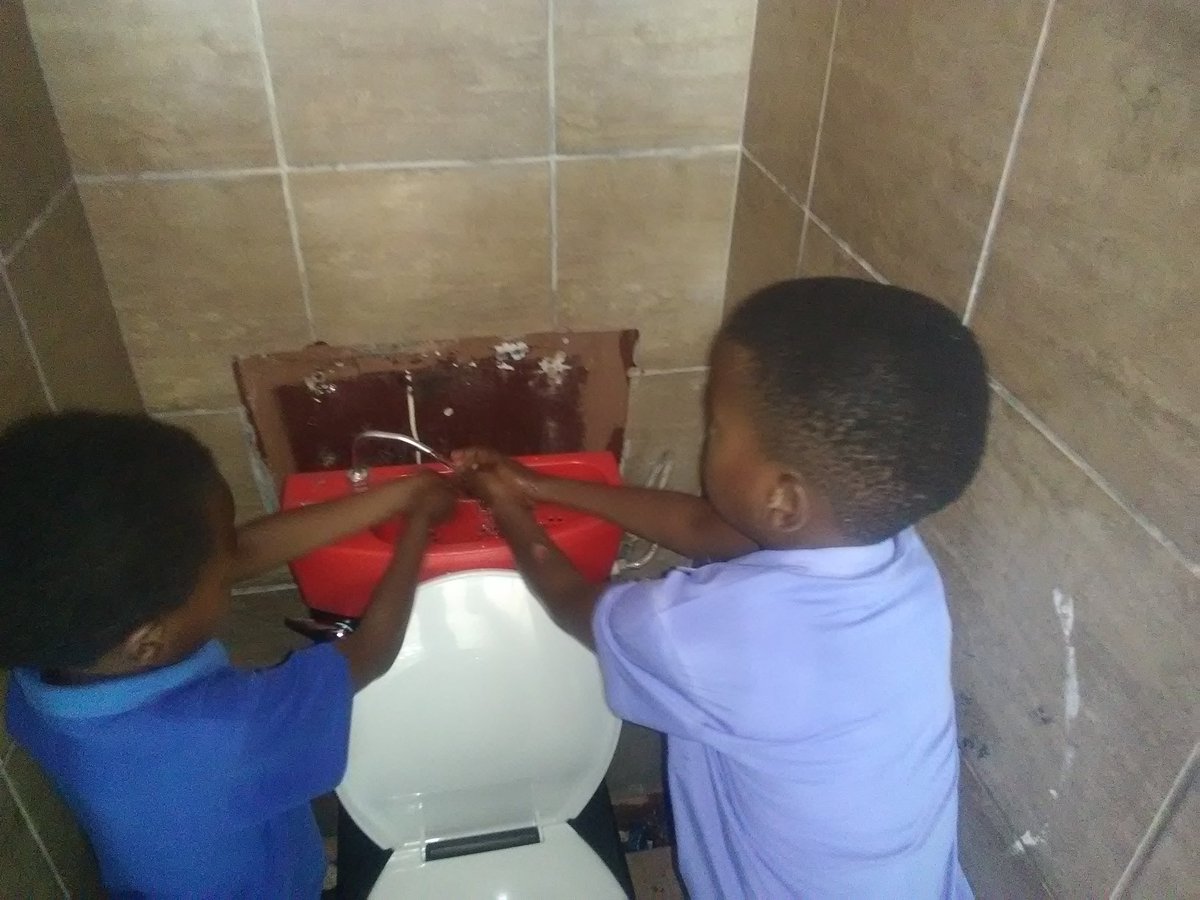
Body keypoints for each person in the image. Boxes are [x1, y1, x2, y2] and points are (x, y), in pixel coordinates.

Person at [455, 277, 989, 898]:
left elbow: (573, 603)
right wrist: (536, 485)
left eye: (717, 429)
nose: (707, 438)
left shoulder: (719, 635)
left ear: (783, 499)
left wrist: (507, 510)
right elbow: (703, 526)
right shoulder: (894, 557)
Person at [0, 410, 456, 898]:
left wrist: (401, 496)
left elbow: (238, 554)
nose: (233, 571)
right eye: (222, 577)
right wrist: (417, 529)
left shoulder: (41, 680)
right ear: (147, 641)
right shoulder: (229, 729)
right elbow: (371, 651)